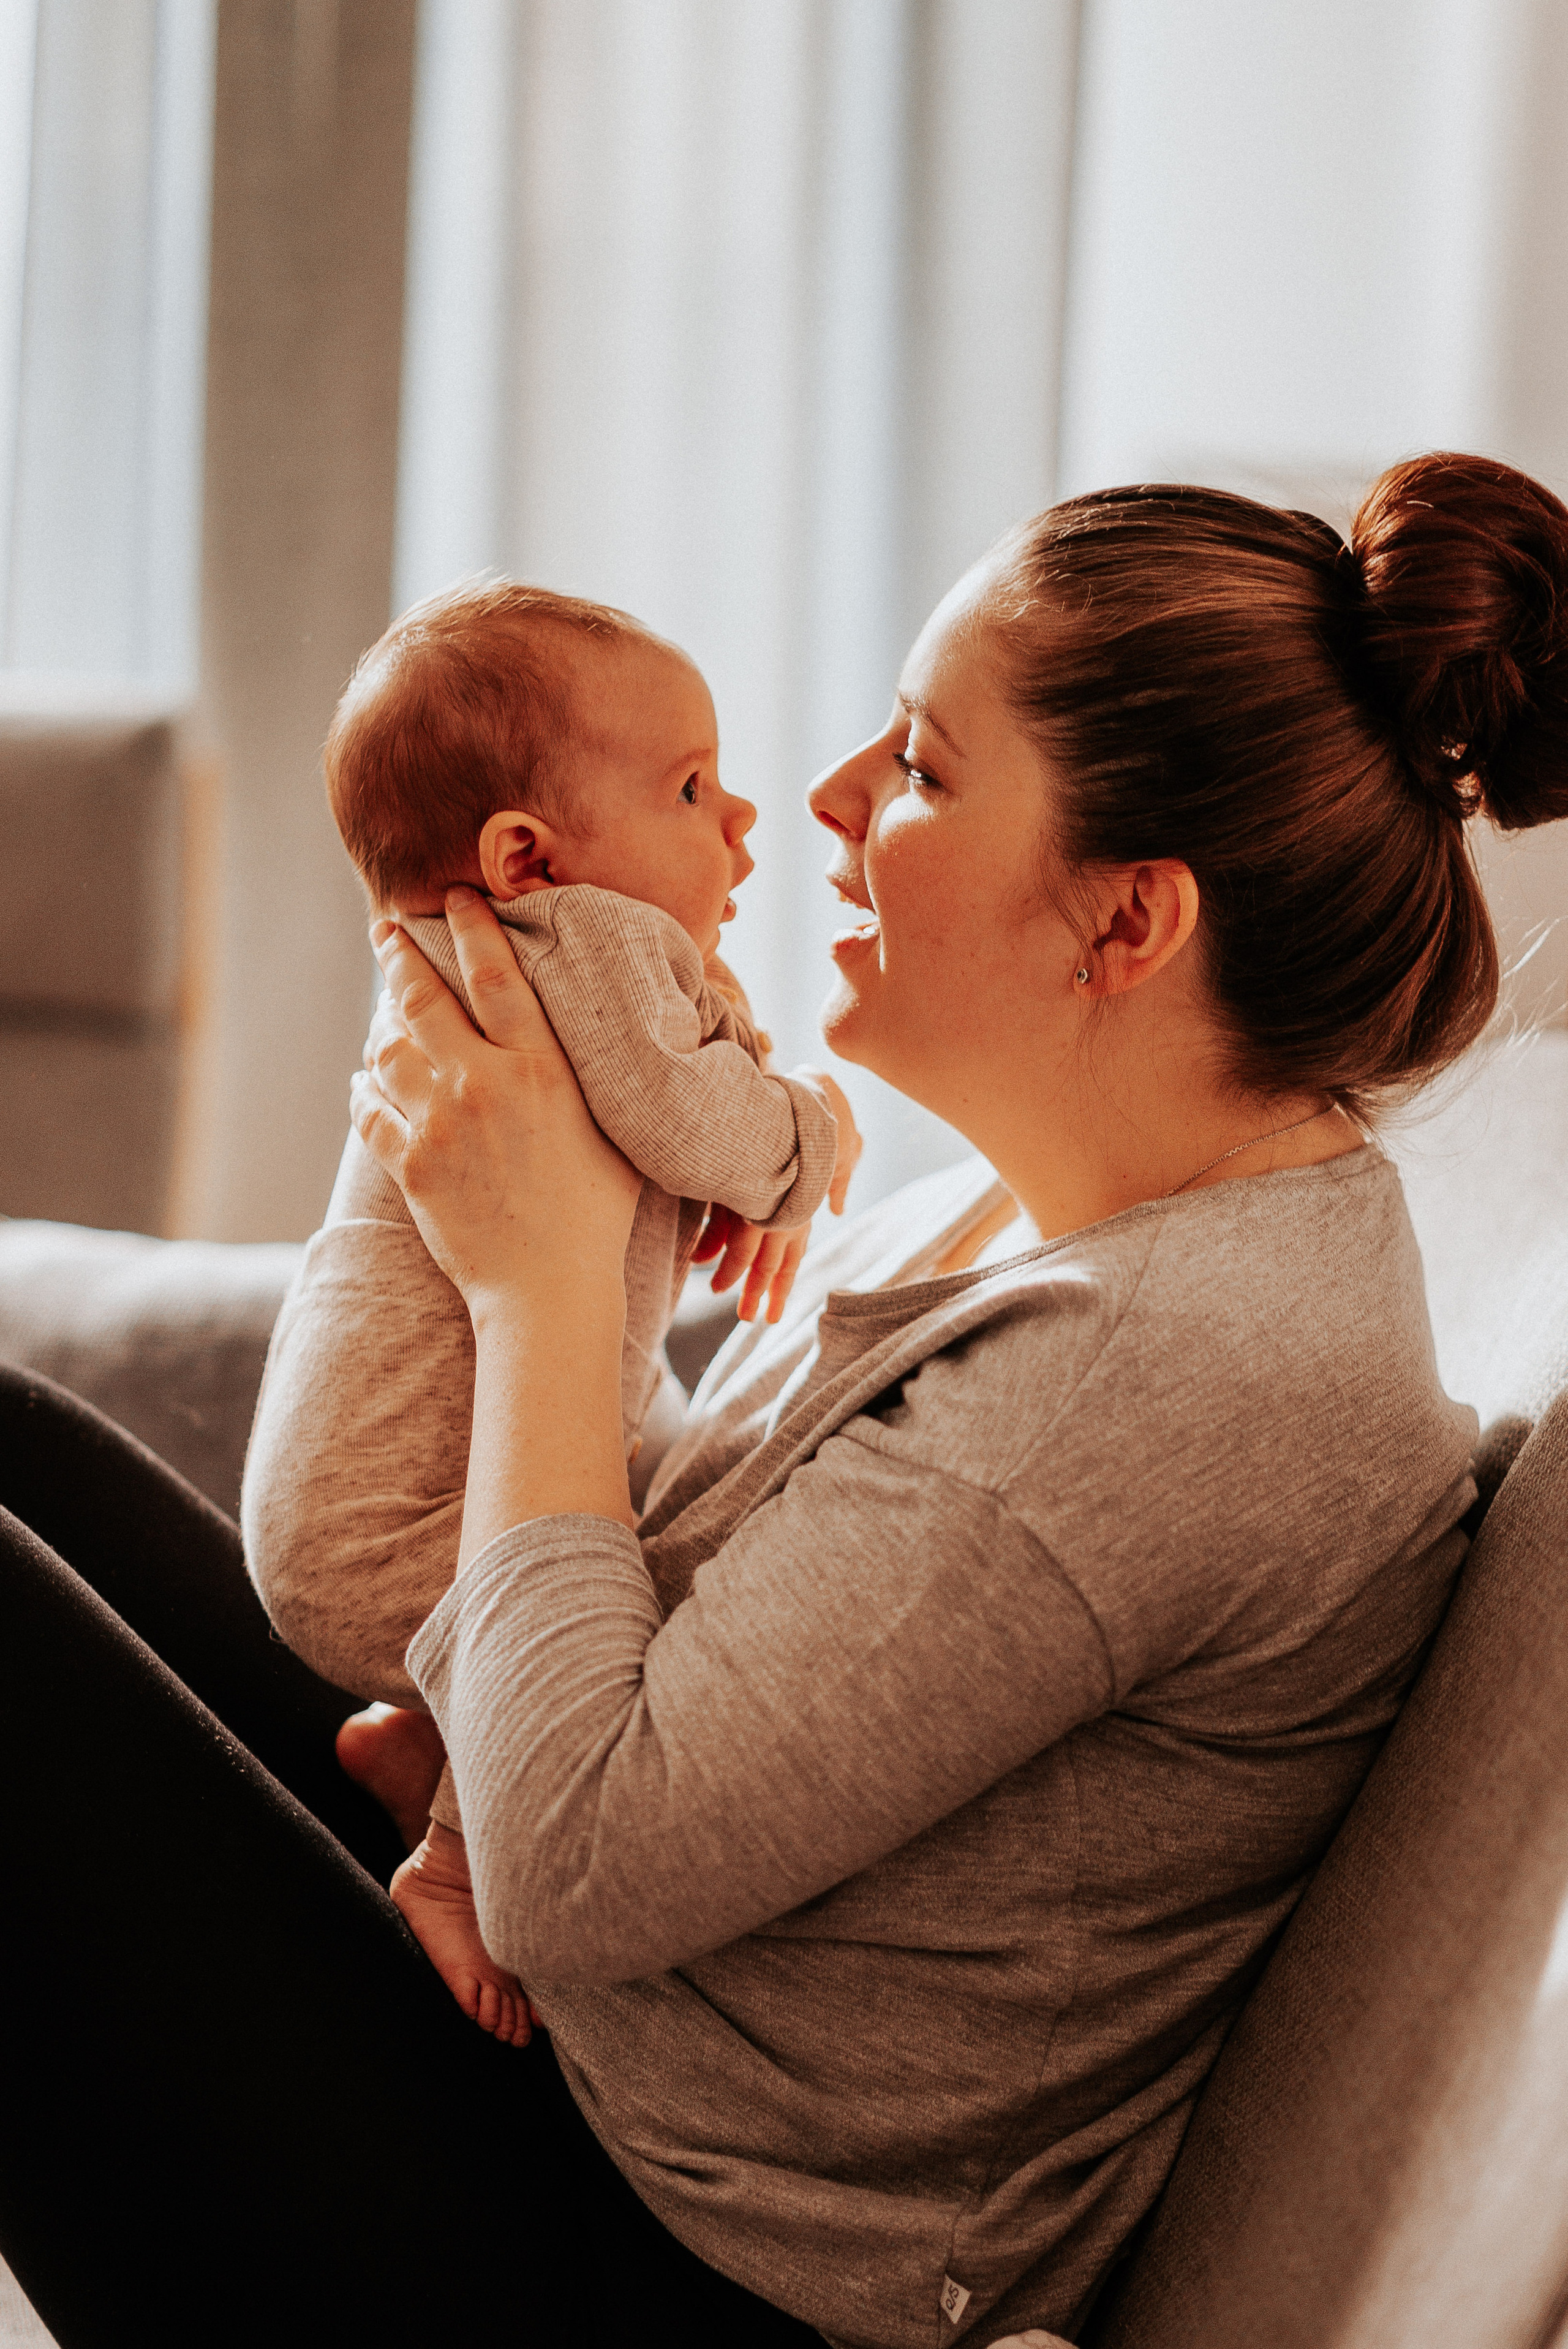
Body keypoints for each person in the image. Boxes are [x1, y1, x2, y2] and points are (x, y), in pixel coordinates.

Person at [3, 452, 1564, 2349]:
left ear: (1128, 922)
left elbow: (580, 1863)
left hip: (647, 2254)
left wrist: (545, 1276)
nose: (822, 799)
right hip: (588, 2044)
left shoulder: (1163, 1372)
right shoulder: (1030, 1213)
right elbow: (687, 1605)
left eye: (918, 766)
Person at [243, 578, 859, 2040]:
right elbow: (690, 1115)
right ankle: (461, 1859)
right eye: (692, 786)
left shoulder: (519, 955)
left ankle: (423, 1747)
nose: (745, 820)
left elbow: (649, 1113)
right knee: (631, 1589)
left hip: (352, 1500)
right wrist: (807, 1141)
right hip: (402, 1517)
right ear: (525, 854)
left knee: (628, 1534)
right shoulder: (574, 938)